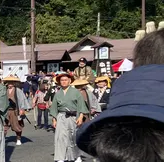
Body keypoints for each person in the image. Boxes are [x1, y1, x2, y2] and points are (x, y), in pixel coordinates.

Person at [76, 29, 164, 162]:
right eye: (81, 62)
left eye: (83, 62)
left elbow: (91, 77)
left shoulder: (94, 73)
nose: (82, 63)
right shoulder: (78, 69)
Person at [49, 73, 89, 162]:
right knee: (60, 137)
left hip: (74, 116)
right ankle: (60, 157)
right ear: (59, 82)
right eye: (62, 80)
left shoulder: (76, 92)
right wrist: (54, 119)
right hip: (61, 116)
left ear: (70, 81)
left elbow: (81, 106)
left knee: (73, 136)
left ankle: (77, 156)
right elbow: (54, 107)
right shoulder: (58, 93)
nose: (63, 82)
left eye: (65, 80)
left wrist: (80, 116)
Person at [3, 76, 31, 145]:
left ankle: (18, 138)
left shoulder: (18, 90)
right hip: (6, 111)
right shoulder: (4, 90)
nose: (10, 84)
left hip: (15, 110)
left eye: (11, 82)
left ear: (14, 83)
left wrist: (22, 109)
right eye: (9, 82)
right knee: (4, 126)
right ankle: (2, 139)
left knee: (17, 126)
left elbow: (22, 100)